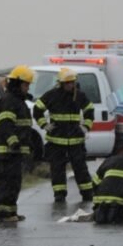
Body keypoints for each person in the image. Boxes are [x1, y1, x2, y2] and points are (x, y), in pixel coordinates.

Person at [33, 67, 95, 203]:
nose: (70, 85)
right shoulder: (52, 95)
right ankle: (59, 194)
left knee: (81, 168)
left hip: (75, 140)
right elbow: (37, 109)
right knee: (57, 169)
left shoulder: (79, 95)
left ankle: (87, 193)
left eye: (72, 82)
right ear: (61, 83)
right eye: (67, 83)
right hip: (56, 141)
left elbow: (89, 110)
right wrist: (44, 125)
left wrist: (86, 126)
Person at [0, 65, 37, 222]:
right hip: (8, 152)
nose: (27, 88)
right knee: (6, 183)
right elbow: (5, 124)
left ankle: (10, 212)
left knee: (14, 183)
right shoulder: (9, 101)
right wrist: (14, 142)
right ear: (17, 84)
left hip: (15, 152)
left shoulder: (17, 101)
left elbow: (22, 126)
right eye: (25, 84)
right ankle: (1, 213)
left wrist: (28, 145)